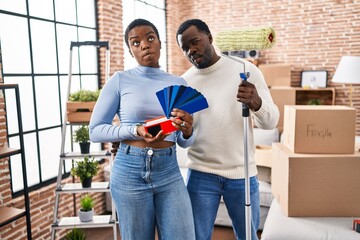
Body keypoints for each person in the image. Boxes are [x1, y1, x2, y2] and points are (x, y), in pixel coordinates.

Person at [89, 18, 195, 240]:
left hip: (168, 170)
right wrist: (134, 130)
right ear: (131, 51)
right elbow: (96, 130)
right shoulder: (120, 80)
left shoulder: (180, 83)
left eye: (150, 38)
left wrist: (187, 131)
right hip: (129, 171)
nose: (144, 45)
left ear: (159, 43)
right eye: (135, 43)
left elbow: (184, 140)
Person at [176, 19, 279, 240]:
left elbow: (270, 123)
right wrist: (185, 131)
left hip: (242, 174)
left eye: (195, 42)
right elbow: (183, 140)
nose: (191, 50)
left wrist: (256, 103)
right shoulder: (185, 82)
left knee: (248, 237)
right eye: (185, 48)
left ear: (210, 38)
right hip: (201, 174)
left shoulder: (245, 70)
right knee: (197, 237)